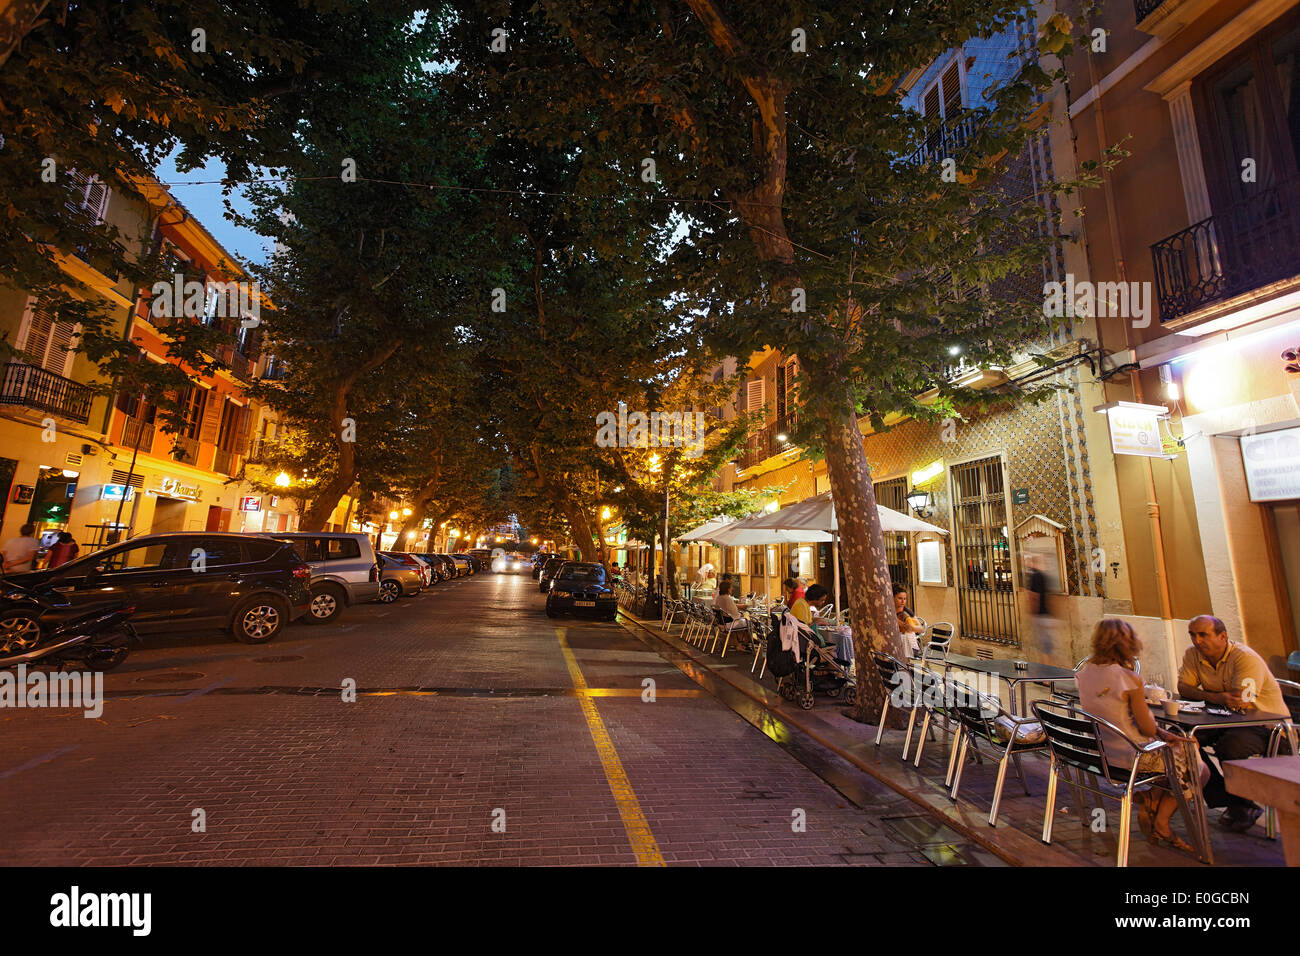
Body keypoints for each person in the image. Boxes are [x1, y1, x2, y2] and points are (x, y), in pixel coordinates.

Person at [1076, 619, 1207, 853]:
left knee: (1179, 752)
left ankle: (1150, 799)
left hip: (1102, 753)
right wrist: (1159, 729)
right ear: (1128, 644)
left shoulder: (1084, 673)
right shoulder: (1129, 679)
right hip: (1135, 757)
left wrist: (1161, 732)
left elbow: (1119, 716)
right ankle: (1162, 821)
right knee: (1198, 767)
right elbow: (1146, 729)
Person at [1177, 614, 1287, 832]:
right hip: (1224, 719)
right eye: (1192, 634)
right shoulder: (1193, 655)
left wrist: (1206, 695)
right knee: (1181, 739)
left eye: (1203, 635)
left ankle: (1241, 806)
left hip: (1267, 724)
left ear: (1222, 636)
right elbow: (1184, 689)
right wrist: (1219, 697)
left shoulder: (1245, 658)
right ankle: (1232, 801)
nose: (1196, 640)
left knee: (1231, 747)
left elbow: (1240, 701)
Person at [894, 585, 925, 656]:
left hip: (909, 646)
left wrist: (911, 628)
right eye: (900, 598)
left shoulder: (907, 612)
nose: (903, 601)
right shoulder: (889, 610)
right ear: (893, 598)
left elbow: (921, 629)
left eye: (904, 599)